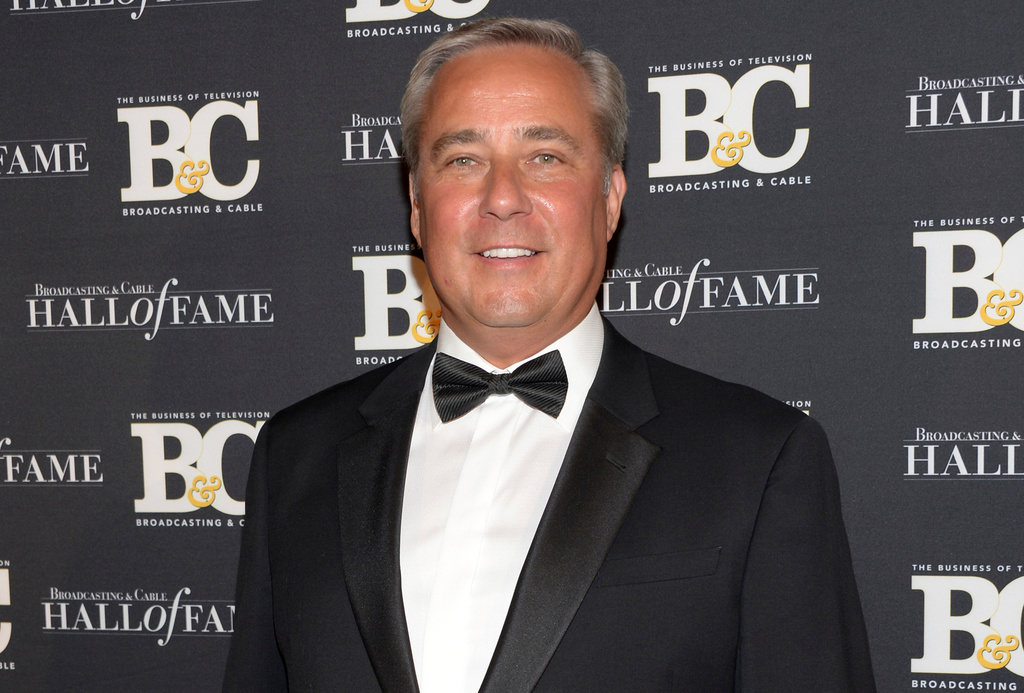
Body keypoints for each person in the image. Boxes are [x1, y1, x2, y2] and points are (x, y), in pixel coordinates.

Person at [224, 17, 876, 692]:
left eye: (545, 157)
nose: (502, 198)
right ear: (417, 206)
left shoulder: (758, 460)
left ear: (610, 197)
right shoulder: (296, 455)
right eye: (463, 160)